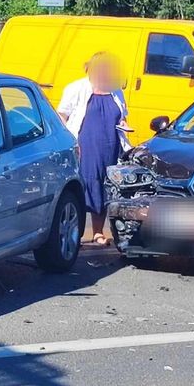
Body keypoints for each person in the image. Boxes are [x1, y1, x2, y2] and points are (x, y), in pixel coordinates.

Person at [58, 52, 132, 246]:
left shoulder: (116, 90)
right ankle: (77, 232)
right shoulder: (77, 88)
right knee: (83, 185)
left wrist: (123, 124)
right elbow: (62, 116)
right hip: (85, 146)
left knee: (104, 186)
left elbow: (121, 116)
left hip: (110, 145)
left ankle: (98, 232)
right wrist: (69, 144)